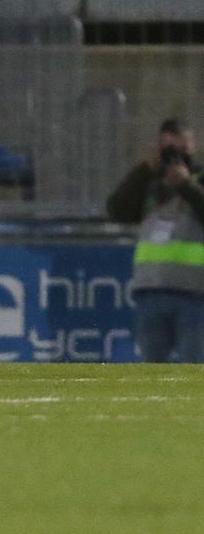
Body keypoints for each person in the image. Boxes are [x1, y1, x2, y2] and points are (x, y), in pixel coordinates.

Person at [106, 119, 204, 363]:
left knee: (194, 368)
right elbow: (117, 209)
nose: (174, 156)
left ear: (192, 145)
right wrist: (146, 168)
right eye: (167, 149)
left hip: (193, 293)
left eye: (179, 148)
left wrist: (186, 186)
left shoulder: (199, 181)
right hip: (151, 291)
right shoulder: (149, 184)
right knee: (153, 370)